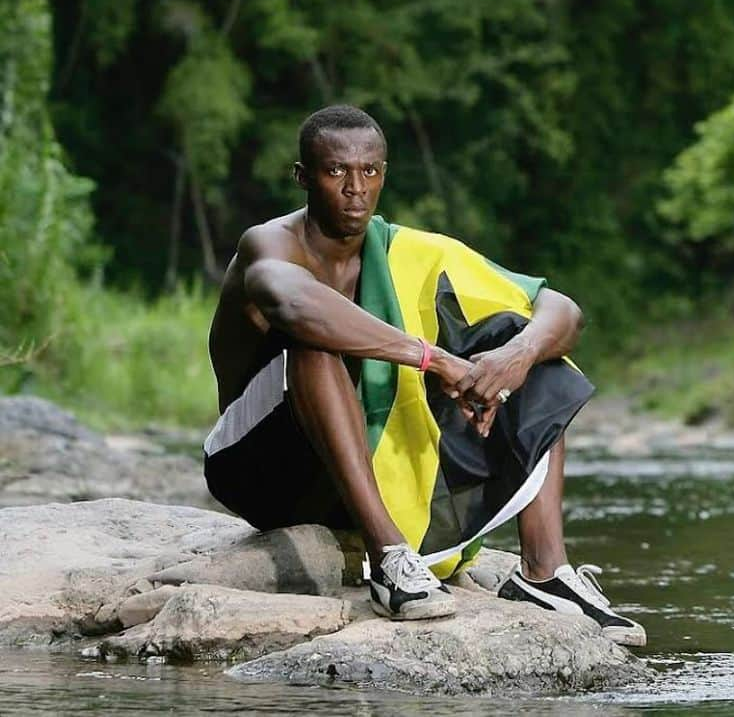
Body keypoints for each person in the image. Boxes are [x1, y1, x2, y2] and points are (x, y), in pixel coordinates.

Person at [203, 104, 645, 646]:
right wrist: (434, 360)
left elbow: (561, 309)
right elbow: (291, 303)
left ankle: (544, 573)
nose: (354, 189)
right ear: (302, 177)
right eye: (335, 171)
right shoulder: (268, 244)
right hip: (260, 467)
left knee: (525, 346)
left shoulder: (406, 249)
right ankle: (389, 559)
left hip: (355, 468)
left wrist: (513, 357)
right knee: (313, 345)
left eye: (369, 171)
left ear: (385, 174)